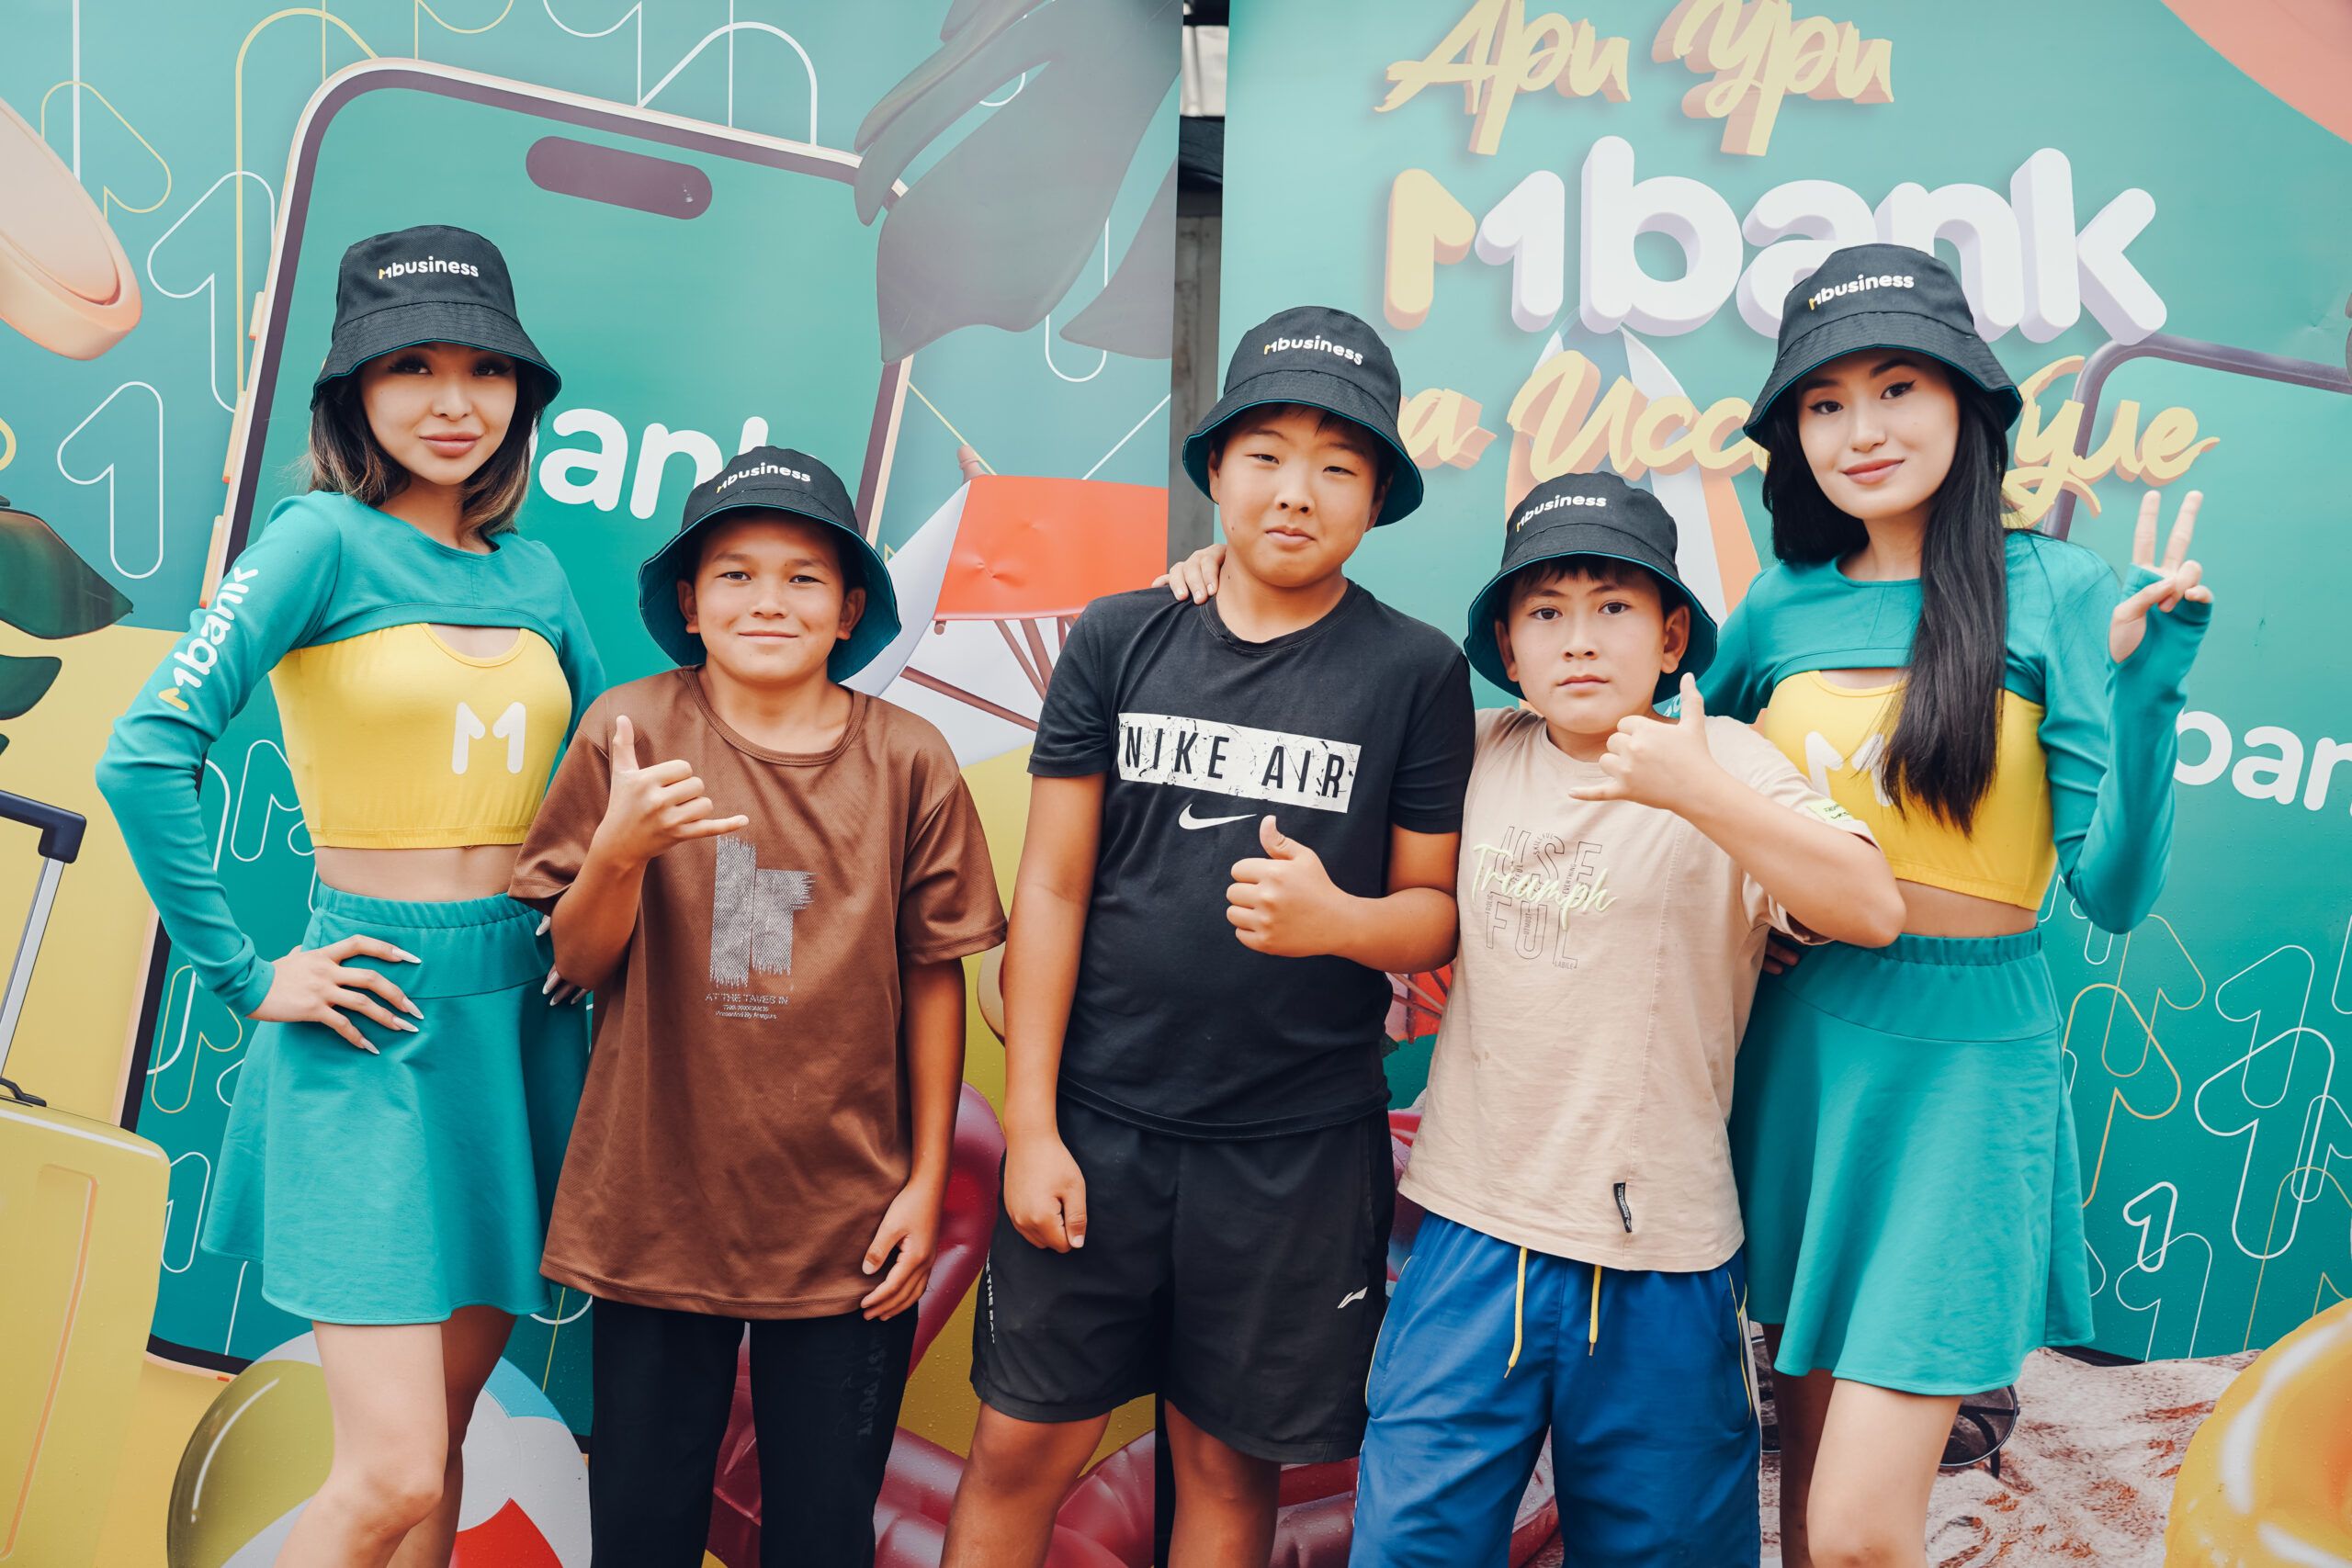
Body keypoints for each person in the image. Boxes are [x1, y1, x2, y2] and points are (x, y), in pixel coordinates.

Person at [1156, 470, 1903, 1566]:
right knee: (1409, 1546)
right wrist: (1229, 579)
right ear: (1507, 646)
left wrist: (1696, 792)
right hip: (1469, 1235)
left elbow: (1871, 908)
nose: (1579, 639)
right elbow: (1305, 713)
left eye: (1614, 606)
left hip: (1660, 1257)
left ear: (1670, 635)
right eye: (1545, 612)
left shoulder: (1725, 758)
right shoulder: (1476, 749)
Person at [97, 224, 601, 1568]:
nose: (454, 401)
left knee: (441, 1452)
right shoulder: (317, 540)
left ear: (521, 395)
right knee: (388, 1474)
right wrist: (247, 973)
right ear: (352, 392)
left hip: (522, 1020)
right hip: (370, 1025)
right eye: (411, 367)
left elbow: (607, 774)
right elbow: (144, 753)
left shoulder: (538, 574)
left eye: (485, 369)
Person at [1703, 243, 2214, 1567]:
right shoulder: (1774, 606)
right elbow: (1688, 788)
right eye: (1824, 403)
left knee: (1860, 1531)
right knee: (1806, 1492)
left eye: (1896, 388)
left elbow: (2111, 892)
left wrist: (2151, 687)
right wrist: (1755, 905)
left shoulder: (2059, 587)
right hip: (1803, 1051)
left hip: (1970, 1070)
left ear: (1966, 405)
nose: (1861, 431)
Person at [941, 306, 1476, 1568]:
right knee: (1019, 1448)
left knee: (1227, 1473)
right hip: (1097, 1125)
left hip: (1294, 1153)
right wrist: (1032, 1126)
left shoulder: (1415, 669)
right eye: (1266, 456)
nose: (1296, 492)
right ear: (1216, 469)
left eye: (1337, 466)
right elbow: (1052, 889)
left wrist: (1340, 923)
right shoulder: (1120, 636)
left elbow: (1433, 911)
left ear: (1377, 497)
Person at [510, 446, 1003, 1566]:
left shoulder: (908, 760)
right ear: (688, 602)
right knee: (641, 1524)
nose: (768, 601)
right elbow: (575, 960)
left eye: (803, 577)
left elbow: (936, 973)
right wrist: (619, 852)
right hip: (655, 1208)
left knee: (823, 1529)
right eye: (734, 573)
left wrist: (925, 1182)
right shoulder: (629, 730)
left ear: (851, 610)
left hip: (847, 1223)